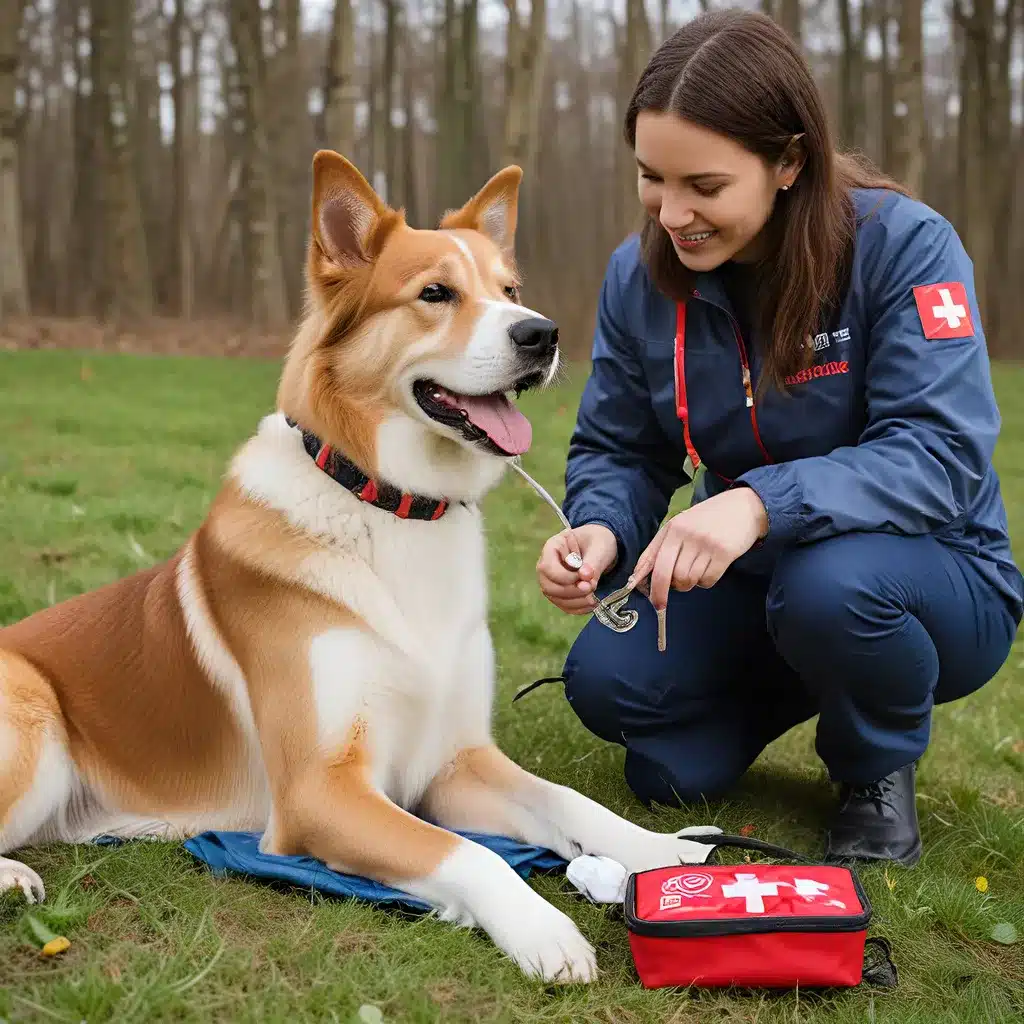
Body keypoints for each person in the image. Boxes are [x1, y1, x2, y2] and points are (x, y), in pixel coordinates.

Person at [534, 7, 1023, 868]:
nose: (672, 213)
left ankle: (874, 765)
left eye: (705, 187)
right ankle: (815, 677)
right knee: (616, 698)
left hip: (933, 577)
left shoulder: (904, 247)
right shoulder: (636, 276)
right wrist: (604, 527)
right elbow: (619, 446)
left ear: (790, 161)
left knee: (832, 591)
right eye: (652, 178)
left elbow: (940, 453)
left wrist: (759, 503)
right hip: (764, 580)